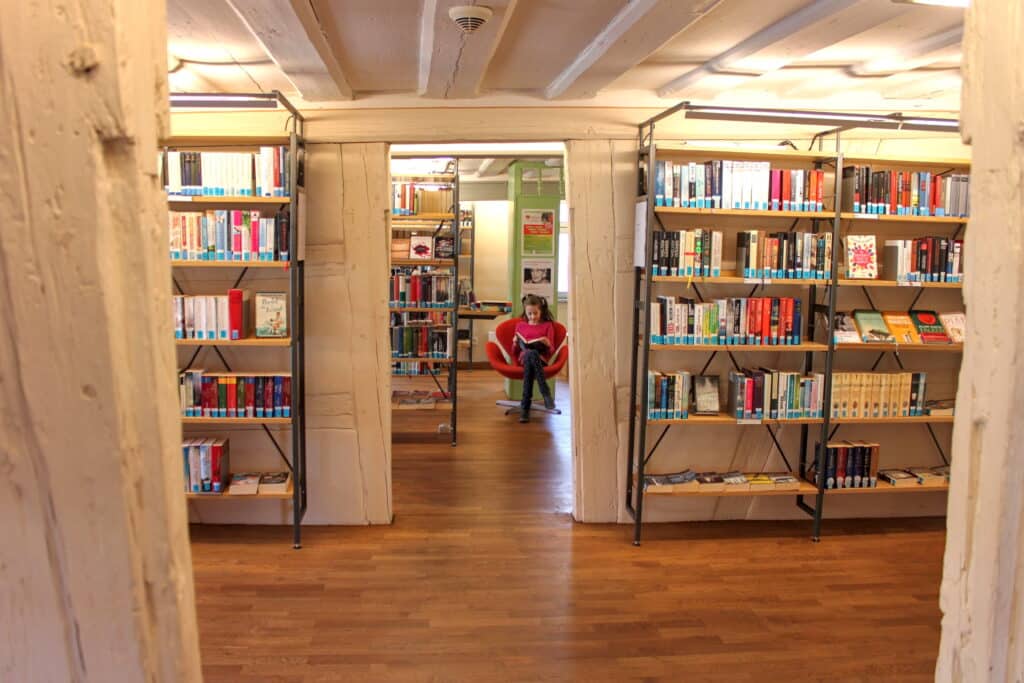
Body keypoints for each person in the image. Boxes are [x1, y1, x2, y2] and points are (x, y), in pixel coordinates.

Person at [513, 294, 556, 422]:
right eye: (529, 314)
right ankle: (545, 392)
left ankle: (525, 408)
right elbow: (514, 352)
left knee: (532, 355)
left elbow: (551, 350)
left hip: (541, 360)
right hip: (524, 358)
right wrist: (515, 343)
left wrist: (548, 343)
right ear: (525, 312)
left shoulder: (548, 325)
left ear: (541, 311)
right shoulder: (520, 326)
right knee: (530, 354)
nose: (532, 317)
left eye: (535, 313)